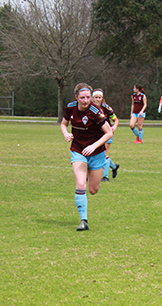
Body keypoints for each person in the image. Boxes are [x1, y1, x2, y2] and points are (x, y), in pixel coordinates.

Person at [61, 83, 114, 231]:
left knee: (93, 189)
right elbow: (64, 124)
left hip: (96, 154)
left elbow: (109, 133)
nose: (85, 101)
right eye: (82, 97)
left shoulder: (95, 111)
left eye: (88, 97)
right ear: (76, 97)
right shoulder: (70, 107)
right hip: (78, 150)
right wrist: (66, 134)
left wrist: (94, 146)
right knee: (80, 185)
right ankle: (84, 221)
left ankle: (89, 174)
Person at [91, 88, 120, 182]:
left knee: (105, 154)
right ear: (92, 98)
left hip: (107, 134)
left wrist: (113, 128)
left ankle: (105, 177)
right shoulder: (89, 107)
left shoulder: (106, 108)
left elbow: (115, 119)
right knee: (97, 153)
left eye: (99, 97)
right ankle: (114, 166)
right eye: (96, 97)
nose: (98, 99)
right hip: (96, 134)